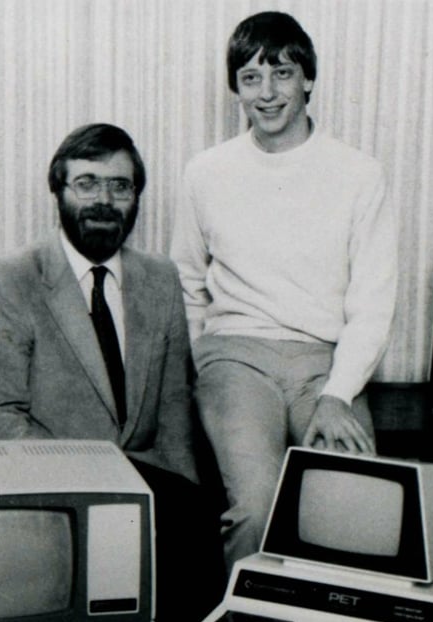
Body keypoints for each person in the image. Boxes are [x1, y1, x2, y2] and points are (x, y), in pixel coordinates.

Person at [0, 123, 223, 622]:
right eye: (87, 183)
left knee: (198, 545)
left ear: (136, 199)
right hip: (55, 496)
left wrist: (182, 506)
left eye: (120, 186)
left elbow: (173, 414)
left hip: (151, 498)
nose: (105, 200)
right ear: (57, 192)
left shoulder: (161, 279)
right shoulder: (8, 280)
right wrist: (103, 485)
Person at [170, 11, 398, 572]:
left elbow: (373, 302)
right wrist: (204, 367)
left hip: (324, 366)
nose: (267, 94)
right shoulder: (206, 172)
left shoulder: (359, 174)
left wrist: (338, 393)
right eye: (251, 78)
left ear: (308, 79)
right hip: (235, 358)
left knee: (352, 504)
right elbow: (186, 284)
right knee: (258, 507)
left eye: (282, 74)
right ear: (236, 89)